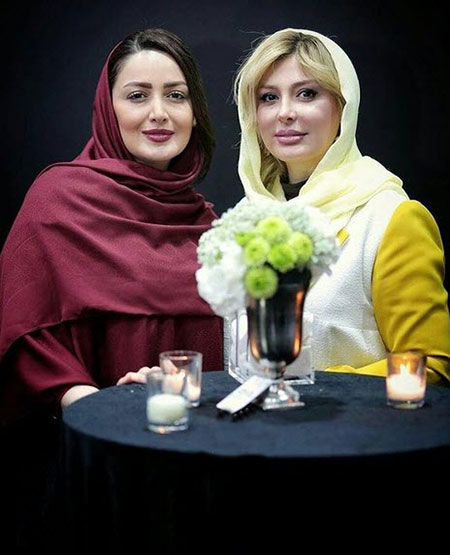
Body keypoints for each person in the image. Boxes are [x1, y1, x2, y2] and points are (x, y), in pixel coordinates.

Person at [0, 28, 223, 426]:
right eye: (138, 96)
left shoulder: (209, 225)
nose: (160, 112)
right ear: (108, 107)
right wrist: (102, 408)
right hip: (97, 440)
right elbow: (25, 332)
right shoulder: (57, 201)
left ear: (195, 112)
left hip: (202, 437)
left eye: (176, 95)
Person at [231, 28, 450, 383]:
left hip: (352, 420)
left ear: (343, 106)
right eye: (268, 97)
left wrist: (314, 387)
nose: (284, 113)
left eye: (306, 93)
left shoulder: (390, 216)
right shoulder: (247, 217)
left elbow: (430, 364)